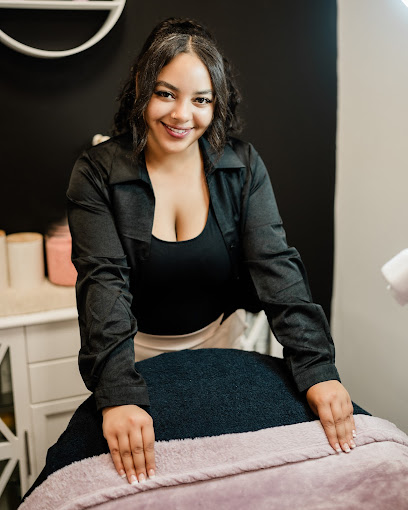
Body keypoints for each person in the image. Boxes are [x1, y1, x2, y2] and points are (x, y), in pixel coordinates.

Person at [67, 17, 356, 487]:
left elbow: (276, 267)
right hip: (131, 353)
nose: (183, 115)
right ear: (140, 86)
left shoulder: (241, 165)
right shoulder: (98, 172)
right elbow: (103, 284)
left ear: (216, 104)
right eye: (166, 93)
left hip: (223, 347)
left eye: (201, 100)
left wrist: (317, 366)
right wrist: (118, 393)